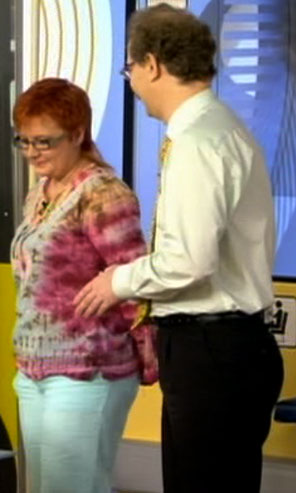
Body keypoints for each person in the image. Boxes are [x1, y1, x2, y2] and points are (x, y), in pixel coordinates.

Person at [74, 5, 284, 493]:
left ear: (152, 64)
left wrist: (118, 281)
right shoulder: (220, 128)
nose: (130, 81)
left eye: (129, 68)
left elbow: (188, 262)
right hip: (229, 348)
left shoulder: (198, 142)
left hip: (210, 352)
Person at [10, 77, 149, 493]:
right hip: (34, 367)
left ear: (77, 134)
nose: (32, 152)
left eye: (44, 142)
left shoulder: (103, 194)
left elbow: (136, 281)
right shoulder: (39, 194)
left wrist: (148, 355)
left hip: (89, 367)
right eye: (25, 141)